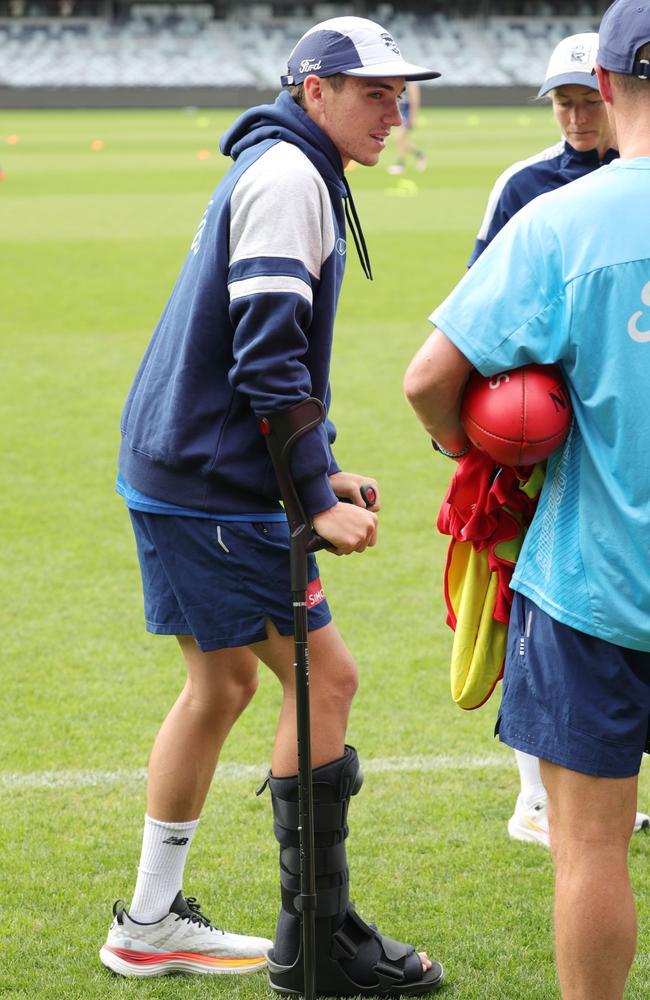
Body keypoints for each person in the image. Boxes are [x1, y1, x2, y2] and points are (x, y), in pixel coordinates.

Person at [100, 15, 444, 997]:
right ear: (313, 92)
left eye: (396, 92)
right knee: (323, 681)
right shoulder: (292, 177)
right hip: (211, 484)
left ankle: (150, 923)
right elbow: (265, 354)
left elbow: (261, 358)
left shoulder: (295, 169)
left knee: (222, 688)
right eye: (370, 92)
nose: (391, 108)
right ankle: (317, 943)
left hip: (181, 468)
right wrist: (309, 495)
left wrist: (318, 468)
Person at [404, 2, 650, 996]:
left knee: (587, 846)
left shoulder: (558, 222)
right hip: (587, 591)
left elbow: (429, 378)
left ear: (601, 84)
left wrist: (465, 444)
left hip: (590, 586)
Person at [468, 31, 649, 848]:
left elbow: (430, 372)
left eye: (585, 99)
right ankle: (534, 796)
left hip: (610, 451)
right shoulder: (527, 189)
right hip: (546, 444)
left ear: (611, 91)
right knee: (532, 597)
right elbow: (482, 325)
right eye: (562, 103)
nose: (575, 116)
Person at [388, 80, 427, 174]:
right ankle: (420, 155)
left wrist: (413, 117)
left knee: (399, 138)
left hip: (407, 112)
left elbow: (414, 101)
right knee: (401, 140)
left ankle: (401, 164)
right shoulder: (400, 82)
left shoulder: (412, 84)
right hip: (401, 111)